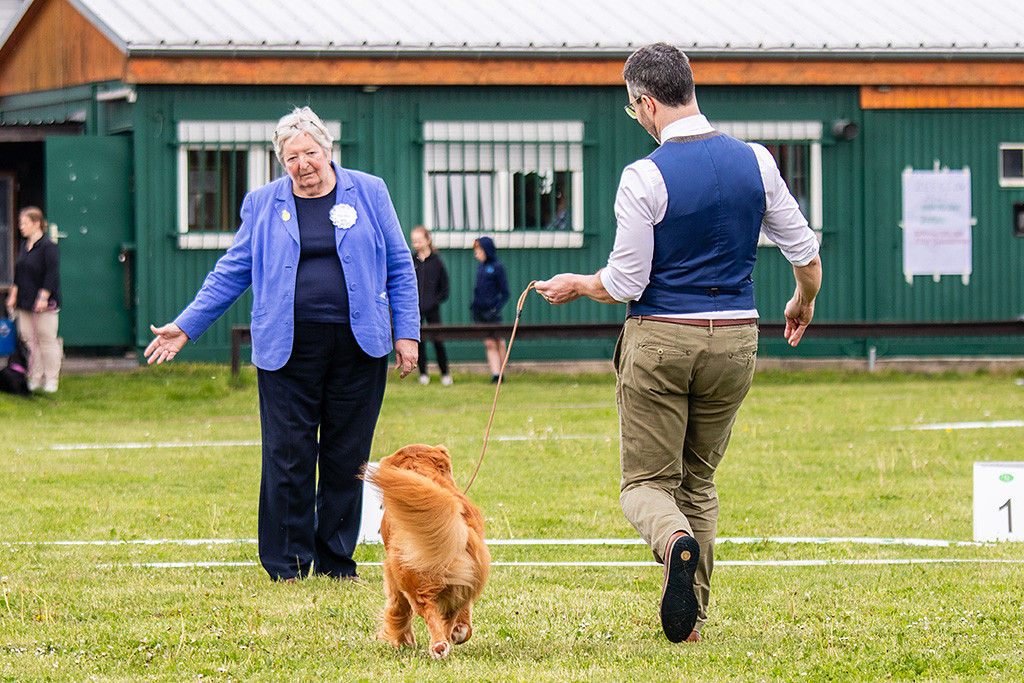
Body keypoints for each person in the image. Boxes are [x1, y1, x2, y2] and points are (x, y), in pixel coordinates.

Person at [535, 43, 822, 643]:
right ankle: (692, 620)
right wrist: (803, 300)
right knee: (699, 481)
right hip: (738, 337)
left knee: (645, 485)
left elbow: (625, 282)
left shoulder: (643, 176)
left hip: (663, 337)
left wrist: (577, 285)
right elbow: (806, 254)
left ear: (645, 102)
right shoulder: (758, 161)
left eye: (631, 108)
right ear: (689, 87)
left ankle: (674, 543)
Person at [144, 106, 420, 582]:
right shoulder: (262, 202)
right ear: (281, 161)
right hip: (285, 348)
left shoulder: (370, 191)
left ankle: (336, 561)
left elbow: (399, 264)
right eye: (291, 157)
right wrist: (186, 326)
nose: (302, 164)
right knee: (287, 456)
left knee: (345, 457)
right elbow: (231, 271)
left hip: (359, 345)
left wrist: (407, 333)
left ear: (328, 151)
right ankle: (287, 565)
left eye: (310, 153)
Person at [5, 207, 61, 393]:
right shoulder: (23, 245)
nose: (21, 227)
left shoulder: (48, 246)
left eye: (24, 223)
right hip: (24, 301)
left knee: (46, 339)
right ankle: (35, 377)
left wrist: (43, 297)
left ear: (37, 223)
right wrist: (13, 295)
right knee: (29, 340)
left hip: (44, 304)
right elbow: (19, 273)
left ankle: (51, 379)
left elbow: (51, 274)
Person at [410, 225, 452, 386]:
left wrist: (434, 301)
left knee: (438, 341)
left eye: (419, 240)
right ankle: (423, 374)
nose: (416, 244)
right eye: (414, 241)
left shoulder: (437, 262)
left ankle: (445, 373)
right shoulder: (412, 261)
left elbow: (444, 288)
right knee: (419, 342)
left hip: (433, 310)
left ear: (428, 240)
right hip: (416, 310)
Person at [469, 236, 509, 382]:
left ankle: (502, 373)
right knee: (489, 343)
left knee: (499, 341)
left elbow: (505, 293)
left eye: (479, 250)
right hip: (479, 312)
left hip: (492, 313)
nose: (476, 254)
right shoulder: (480, 267)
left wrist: (495, 308)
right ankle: (495, 373)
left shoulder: (498, 267)